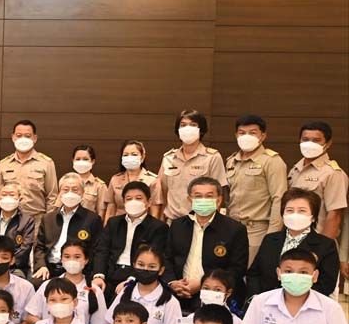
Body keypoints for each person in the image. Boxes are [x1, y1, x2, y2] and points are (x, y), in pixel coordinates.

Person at [165, 177, 249, 310]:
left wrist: (202, 284)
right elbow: (167, 259)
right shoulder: (177, 226)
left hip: (215, 295)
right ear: (190, 200)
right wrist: (173, 283)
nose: (203, 200)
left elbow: (237, 269)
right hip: (177, 292)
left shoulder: (235, 229)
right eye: (198, 196)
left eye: (209, 196)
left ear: (219, 200)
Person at [246, 188, 340, 297]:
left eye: (302, 211)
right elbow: (254, 274)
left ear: (313, 217)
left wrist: (291, 300)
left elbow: (326, 284)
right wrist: (260, 298)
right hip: (267, 302)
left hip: (306, 303)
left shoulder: (326, 245)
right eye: (290, 210)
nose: (295, 215)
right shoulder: (270, 240)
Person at [225, 115, 289, 264]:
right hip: (232, 228)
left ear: (263, 136)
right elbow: (228, 198)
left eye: (252, 133)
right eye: (242, 133)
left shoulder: (272, 161)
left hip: (257, 230)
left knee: (252, 273)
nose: (246, 136)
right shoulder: (231, 161)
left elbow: (279, 199)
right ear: (236, 135)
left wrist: (272, 237)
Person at [91, 181, 168, 301]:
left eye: (138, 198)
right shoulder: (113, 222)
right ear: (124, 202)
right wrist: (99, 275)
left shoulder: (158, 227)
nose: (133, 202)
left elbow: (153, 258)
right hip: (110, 271)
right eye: (129, 199)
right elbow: (102, 250)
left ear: (148, 202)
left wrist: (132, 280)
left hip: (137, 274)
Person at [157, 110, 228, 222]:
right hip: (173, 221)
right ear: (178, 130)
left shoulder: (212, 157)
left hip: (201, 221)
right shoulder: (169, 158)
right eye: (183, 125)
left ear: (201, 130)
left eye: (193, 125)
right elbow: (163, 193)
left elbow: (218, 194)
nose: (187, 128)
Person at [32, 173, 102, 282]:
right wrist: (41, 266)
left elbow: (97, 250)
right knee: (34, 283)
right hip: (49, 269)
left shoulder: (92, 219)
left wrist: (95, 274)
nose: (70, 193)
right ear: (59, 193)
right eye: (65, 189)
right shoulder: (48, 218)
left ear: (83, 193)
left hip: (78, 271)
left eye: (75, 190)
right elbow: (39, 247)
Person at [24, 242, 108, 324]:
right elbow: (31, 316)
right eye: (67, 257)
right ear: (61, 259)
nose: (72, 261)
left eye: (77, 257)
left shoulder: (94, 290)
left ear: (86, 260)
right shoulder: (47, 285)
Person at [288, 120, 347, 241]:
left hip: (316, 240)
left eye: (316, 140)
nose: (309, 144)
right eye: (305, 140)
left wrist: (322, 248)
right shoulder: (295, 170)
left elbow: (334, 215)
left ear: (328, 143)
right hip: (292, 239)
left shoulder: (333, 173)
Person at [0, 120, 58, 231]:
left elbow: (52, 197)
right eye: (19, 135)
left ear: (35, 138)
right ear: (13, 137)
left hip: (36, 222)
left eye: (27, 136)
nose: (23, 139)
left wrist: (47, 224)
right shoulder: (4, 164)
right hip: (9, 221)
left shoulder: (46, 163)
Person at [104, 139, 163, 222]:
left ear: (142, 157)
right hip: (119, 225)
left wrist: (152, 228)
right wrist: (107, 227)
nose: (129, 158)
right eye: (125, 155)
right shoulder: (115, 179)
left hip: (143, 225)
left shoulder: (152, 180)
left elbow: (155, 212)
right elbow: (111, 209)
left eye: (134, 154)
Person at [70, 144, 109, 215]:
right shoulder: (66, 182)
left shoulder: (100, 186)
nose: (81, 162)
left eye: (85, 159)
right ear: (73, 161)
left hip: (89, 222)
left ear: (92, 161)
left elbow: (101, 213)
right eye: (78, 159)